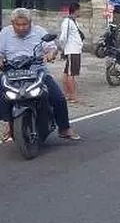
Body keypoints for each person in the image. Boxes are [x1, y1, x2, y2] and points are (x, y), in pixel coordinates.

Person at [0, 8, 80, 142]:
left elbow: (52, 48)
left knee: (58, 97)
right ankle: (10, 123)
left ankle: (64, 128)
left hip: (37, 71)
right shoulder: (4, 33)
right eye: (17, 25)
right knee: (2, 95)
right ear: (12, 23)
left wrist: (50, 54)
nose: (21, 28)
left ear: (30, 22)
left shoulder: (39, 32)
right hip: (11, 72)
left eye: (24, 24)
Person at [59, 2, 85, 103]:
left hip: (75, 50)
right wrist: (64, 49)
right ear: (76, 10)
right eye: (80, 10)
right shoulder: (67, 22)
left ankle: (67, 94)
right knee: (71, 74)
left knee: (67, 73)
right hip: (72, 50)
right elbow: (63, 38)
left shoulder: (74, 21)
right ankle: (72, 96)